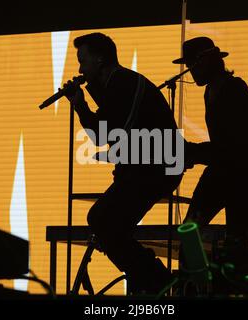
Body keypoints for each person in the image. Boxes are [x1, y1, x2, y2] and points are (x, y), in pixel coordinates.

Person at [63, 32, 183, 295]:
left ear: (101, 59)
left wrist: (81, 105)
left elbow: (105, 133)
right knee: (110, 224)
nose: (80, 69)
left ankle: (156, 279)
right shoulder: (117, 84)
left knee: (103, 220)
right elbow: (110, 120)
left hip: (155, 169)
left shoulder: (124, 85)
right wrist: (86, 97)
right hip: (143, 169)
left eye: (83, 61)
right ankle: (148, 279)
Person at [174, 37, 248, 267]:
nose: (190, 72)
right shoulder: (212, 91)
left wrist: (193, 152)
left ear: (206, 61)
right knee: (189, 231)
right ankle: (194, 283)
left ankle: (228, 286)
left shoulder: (234, 89)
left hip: (240, 178)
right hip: (220, 173)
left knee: (235, 243)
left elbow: (233, 145)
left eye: (192, 65)